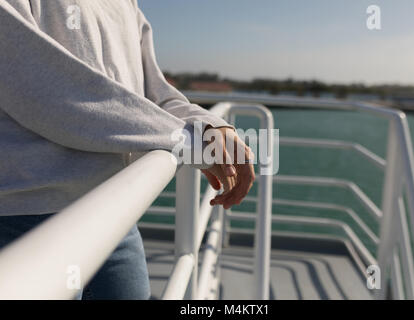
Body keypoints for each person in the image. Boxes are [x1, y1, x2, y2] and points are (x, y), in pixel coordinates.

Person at [0, 0, 255, 300]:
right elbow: (47, 95)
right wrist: (188, 140)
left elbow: (155, 95)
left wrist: (210, 127)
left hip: (116, 211)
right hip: (23, 217)